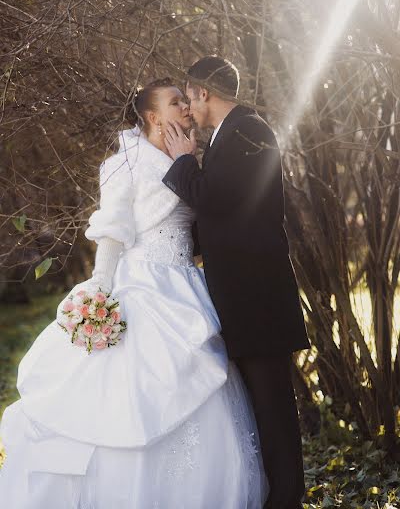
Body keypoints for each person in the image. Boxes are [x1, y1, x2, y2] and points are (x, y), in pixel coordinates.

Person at [0, 78, 267, 509]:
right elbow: (113, 228)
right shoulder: (123, 164)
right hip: (144, 285)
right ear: (151, 116)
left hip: (188, 287)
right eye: (175, 102)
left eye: (186, 100)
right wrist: (101, 285)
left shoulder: (186, 159)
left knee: (203, 383)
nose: (185, 107)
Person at [162, 57, 311, 509]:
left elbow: (215, 200)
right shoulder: (233, 135)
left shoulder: (250, 132)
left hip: (259, 301)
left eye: (188, 96)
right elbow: (227, 215)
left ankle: (287, 498)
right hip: (245, 299)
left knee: (275, 411)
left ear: (203, 93)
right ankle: (277, 494)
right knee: (263, 411)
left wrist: (183, 162)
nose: (188, 105)